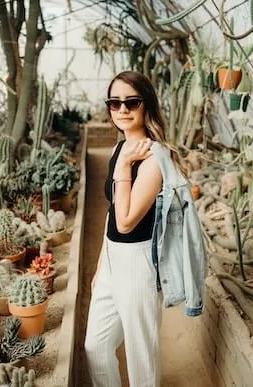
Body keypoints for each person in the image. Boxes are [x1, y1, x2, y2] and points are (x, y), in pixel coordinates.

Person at [85, 70, 208, 387]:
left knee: (141, 360)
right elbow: (113, 214)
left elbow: (126, 222)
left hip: (138, 263)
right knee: (95, 347)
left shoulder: (154, 157)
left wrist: (126, 167)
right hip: (114, 260)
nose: (122, 110)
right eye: (115, 103)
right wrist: (102, 265)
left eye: (131, 102)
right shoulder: (118, 149)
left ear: (146, 105)